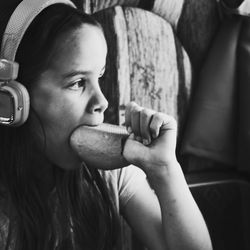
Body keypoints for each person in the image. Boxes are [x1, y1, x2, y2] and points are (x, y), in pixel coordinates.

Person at [0, 0, 213, 249]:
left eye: (99, 76)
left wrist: (165, 170)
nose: (102, 101)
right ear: (13, 100)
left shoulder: (110, 175)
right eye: (77, 82)